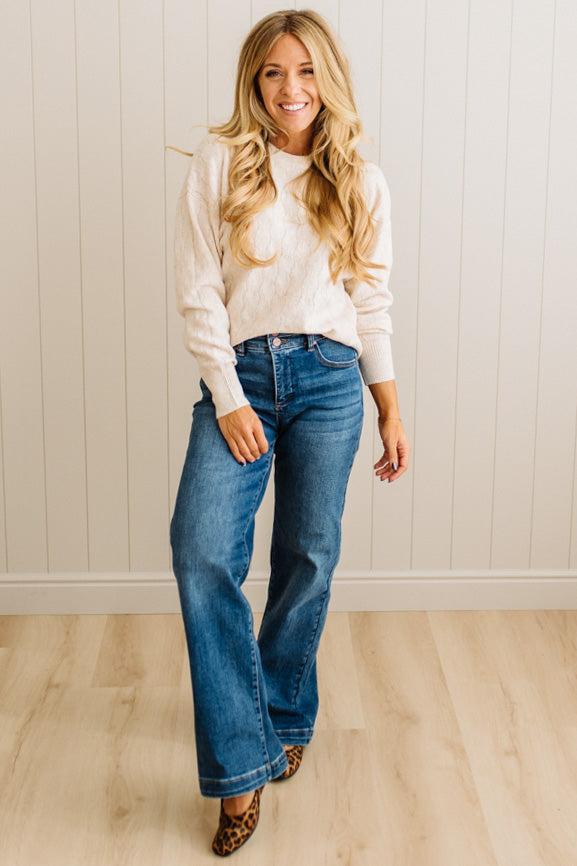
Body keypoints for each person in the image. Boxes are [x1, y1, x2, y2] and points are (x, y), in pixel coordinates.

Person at [169, 8, 410, 857]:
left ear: (327, 80)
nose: (289, 90)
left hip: (331, 382)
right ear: (253, 82)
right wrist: (228, 396)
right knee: (202, 554)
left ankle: (282, 712)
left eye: (305, 71)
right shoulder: (218, 165)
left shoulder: (362, 181)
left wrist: (386, 402)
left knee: (307, 557)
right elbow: (200, 291)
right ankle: (239, 769)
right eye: (272, 73)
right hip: (241, 379)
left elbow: (369, 301)